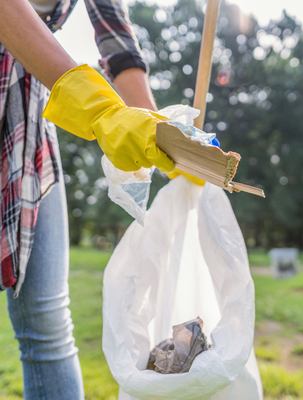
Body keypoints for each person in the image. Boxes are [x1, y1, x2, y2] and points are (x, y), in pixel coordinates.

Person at [0, 0, 175, 398]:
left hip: (25, 120)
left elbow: (118, 43)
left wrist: (163, 138)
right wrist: (100, 111)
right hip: (44, 84)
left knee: (47, 323)